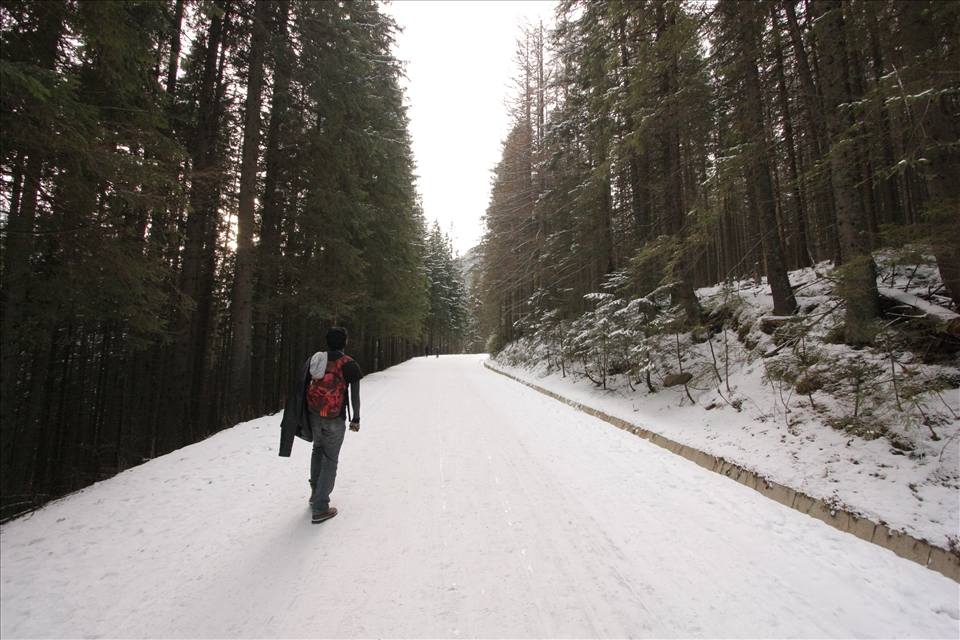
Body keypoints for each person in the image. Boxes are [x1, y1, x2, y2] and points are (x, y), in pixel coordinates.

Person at [279, 326, 362, 524]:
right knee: (330, 459)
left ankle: (315, 493)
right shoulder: (349, 364)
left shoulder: (315, 360)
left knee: (317, 450)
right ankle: (320, 507)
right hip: (334, 417)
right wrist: (356, 419)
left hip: (314, 415)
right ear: (345, 342)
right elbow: (354, 395)